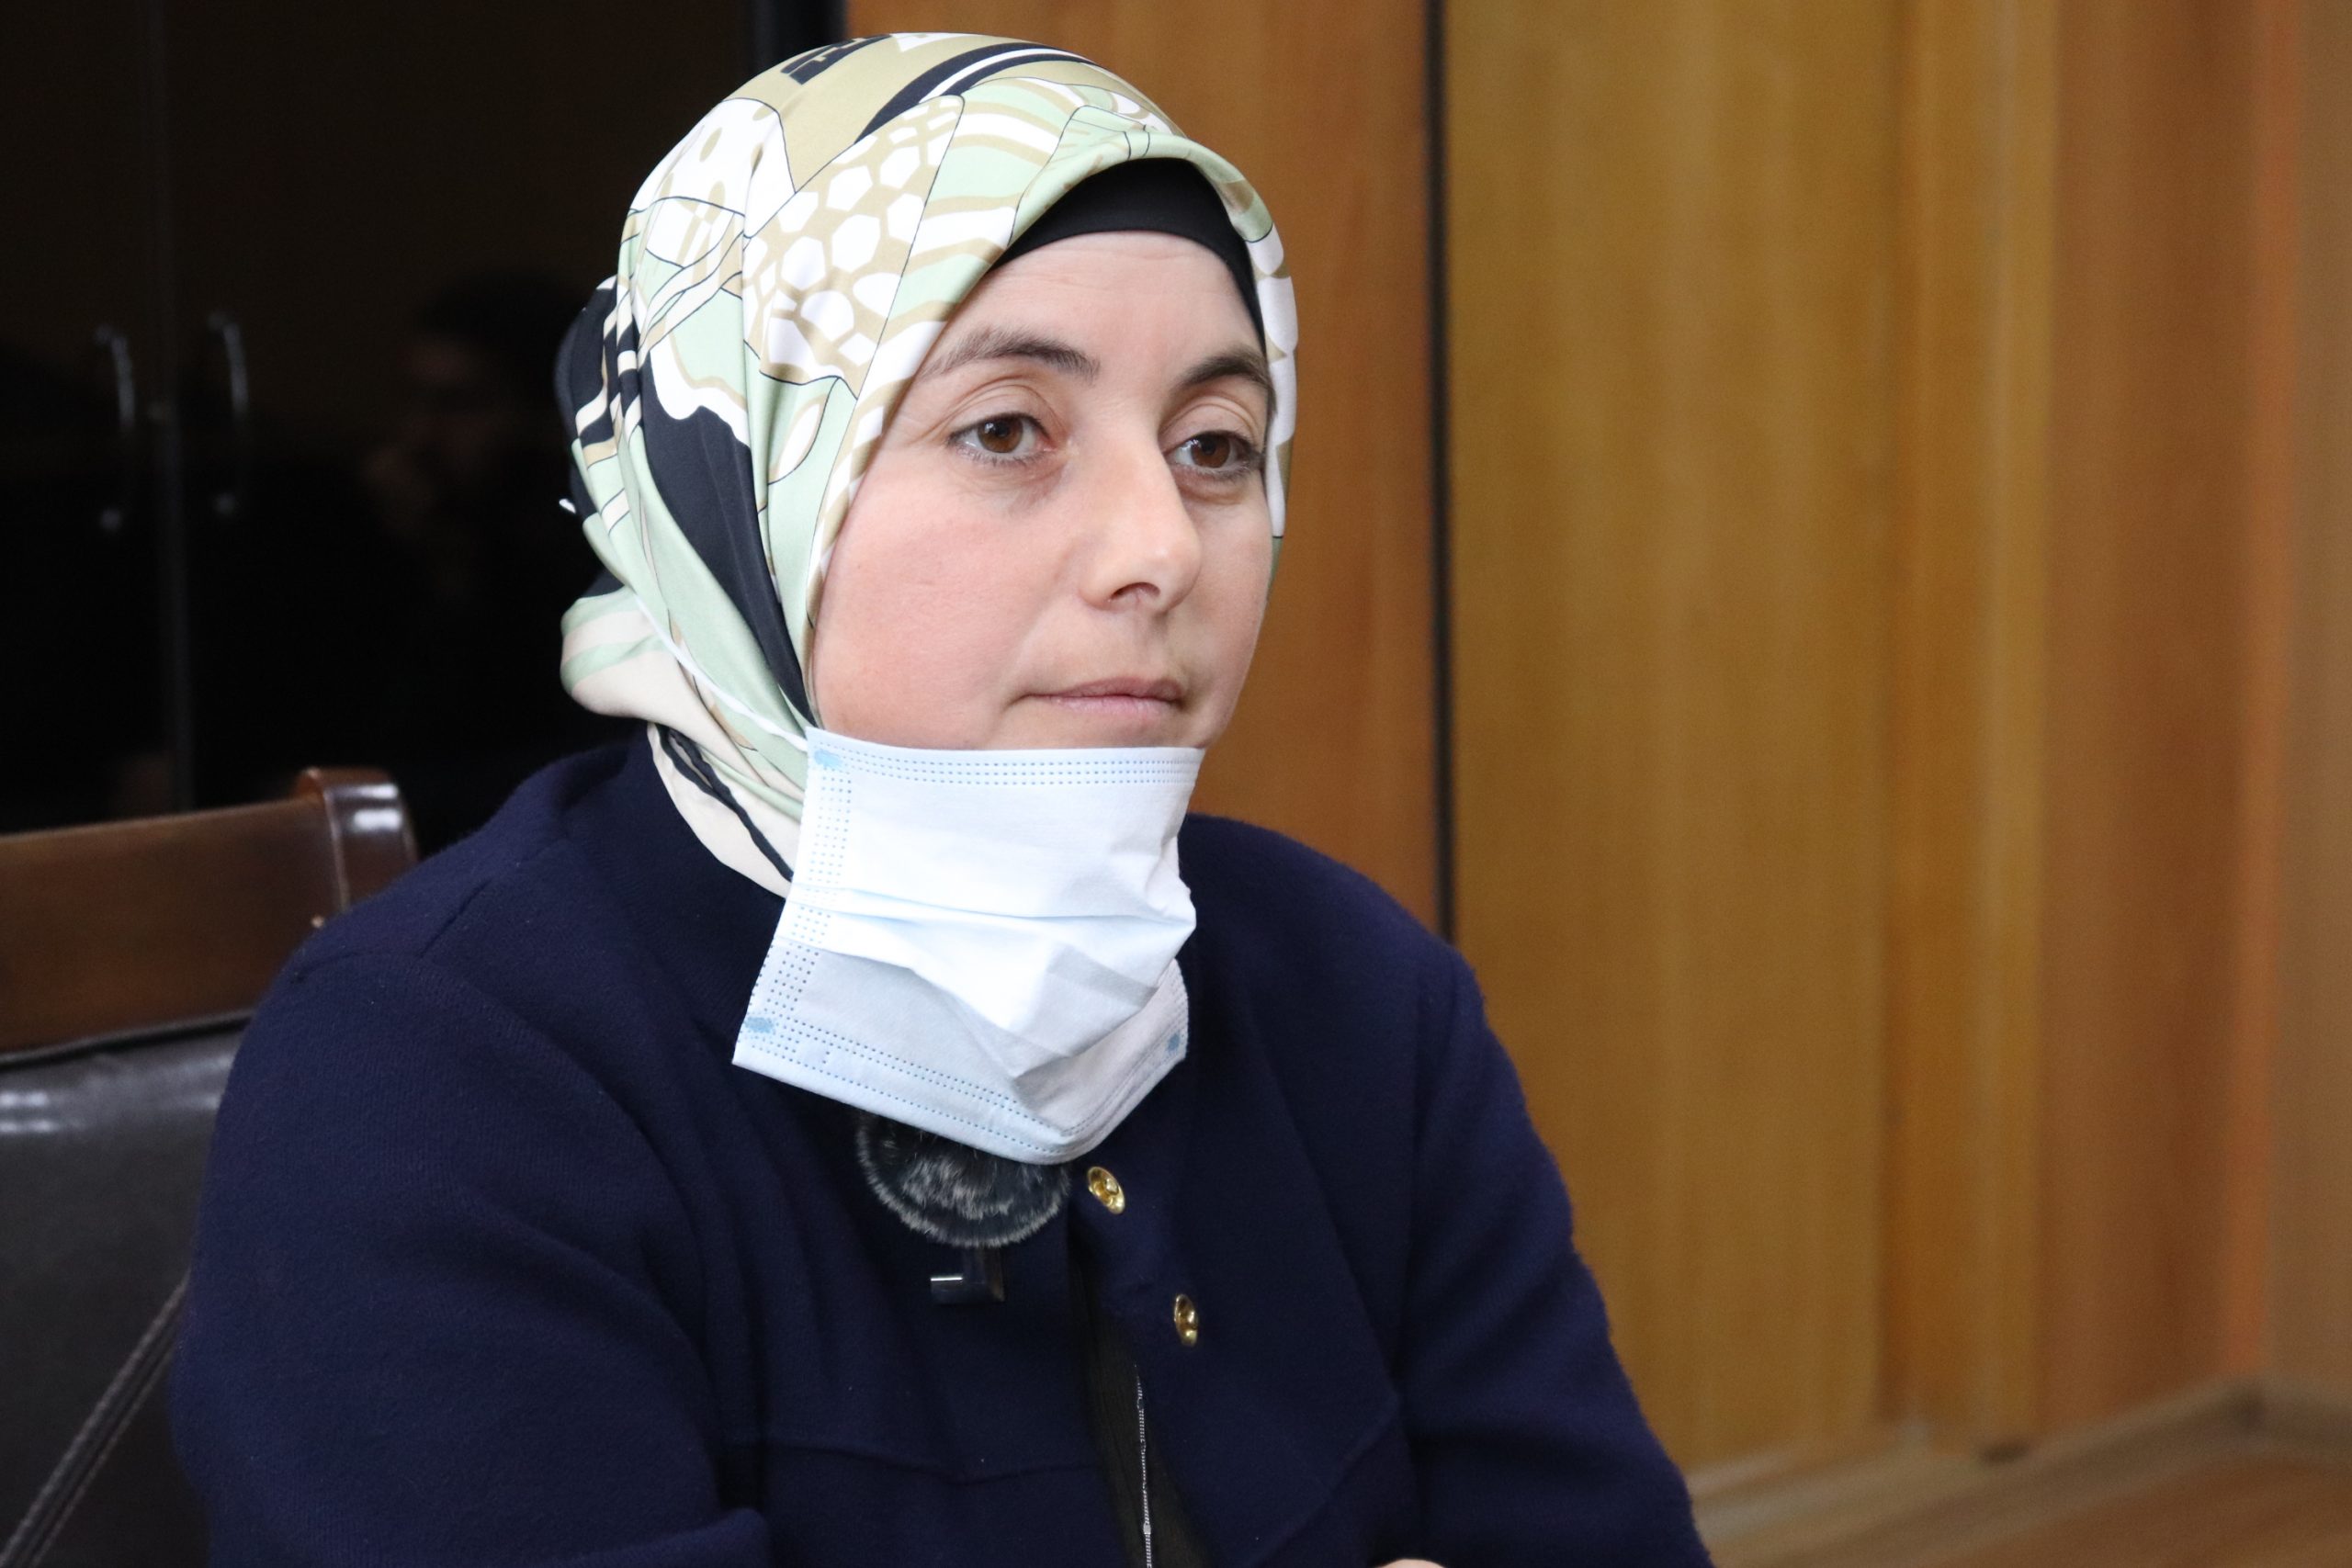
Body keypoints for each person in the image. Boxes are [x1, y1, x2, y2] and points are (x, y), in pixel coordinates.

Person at [170, 34, 1713, 1567]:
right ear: (743, 479)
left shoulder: (1352, 989)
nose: (1161, 548)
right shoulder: (443, 1071)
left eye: (1215, 447)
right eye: (1006, 431)